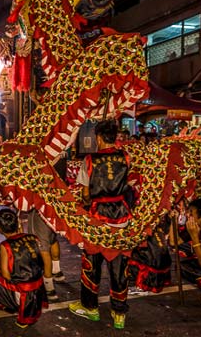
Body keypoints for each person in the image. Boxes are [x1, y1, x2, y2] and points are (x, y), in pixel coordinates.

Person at [69, 119, 133, 330]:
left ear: (97, 138)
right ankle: (119, 313)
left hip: (98, 220)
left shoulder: (89, 160)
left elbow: (85, 194)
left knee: (92, 264)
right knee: (119, 267)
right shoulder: (126, 157)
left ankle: (91, 308)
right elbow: (131, 185)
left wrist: (89, 201)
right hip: (122, 218)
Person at [26, 208, 65, 301]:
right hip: (51, 206)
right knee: (51, 238)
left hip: (39, 208)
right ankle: (56, 271)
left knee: (42, 247)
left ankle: (49, 288)